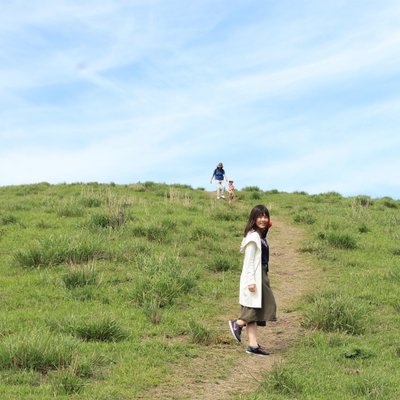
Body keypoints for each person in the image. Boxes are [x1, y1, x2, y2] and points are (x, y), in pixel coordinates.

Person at [228, 204, 276, 356]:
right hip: (255, 275)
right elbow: (248, 262)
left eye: (265, 216)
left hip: (261, 273)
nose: (263, 219)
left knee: (254, 307)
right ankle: (238, 323)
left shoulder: (260, 236)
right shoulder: (253, 237)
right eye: (260, 216)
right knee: (262, 306)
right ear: (253, 218)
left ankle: (253, 345)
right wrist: (251, 281)